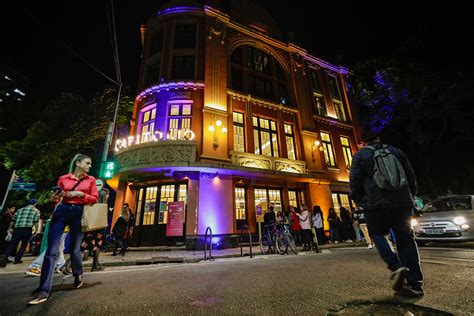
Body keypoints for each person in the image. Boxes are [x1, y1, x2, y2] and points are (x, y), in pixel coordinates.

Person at [349, 130, 423, 297]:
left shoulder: (361, 156)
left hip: (375, 203)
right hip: (401, 201)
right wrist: (410, 195)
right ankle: (416, 284)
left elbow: (354, 181)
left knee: (377, 234)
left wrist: (360, 200)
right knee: (405, 238)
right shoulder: (396, 151)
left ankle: (396, 266)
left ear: (363, 141)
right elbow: (411, 176)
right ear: (379, 138)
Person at [28, 154, 98, 305]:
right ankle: (44, 289)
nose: (89, 165)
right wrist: (55, 196)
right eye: (87, 163)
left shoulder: (91, 180)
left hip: (79, 212)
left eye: (90, 163)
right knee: (51, 251)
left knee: (75, 250)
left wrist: (80, 194)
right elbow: (56, 198)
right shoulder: (63, 178)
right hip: (62, 211)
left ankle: (78, 274)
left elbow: (94, 198)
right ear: (78, 163)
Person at [0, 199, 40, 267]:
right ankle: (17, 259)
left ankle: (4, 257)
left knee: (12, 244)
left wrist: (9, 228)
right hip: (27, 229)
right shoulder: (36, 211)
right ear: (35, 204)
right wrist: (36, 230)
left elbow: (13, 221)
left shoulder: (20, 210)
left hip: (17, 229)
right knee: (23, 245)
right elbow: (36, 222)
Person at [82, 187, 109, 271]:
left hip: (92, 228)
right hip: (97, 228)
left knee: (93, 246)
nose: (108, 196)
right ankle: (67, 263)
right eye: (107, 194)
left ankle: (95, 264)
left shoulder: (92, 204)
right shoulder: (101, 206)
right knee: (92, 246)